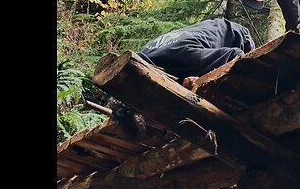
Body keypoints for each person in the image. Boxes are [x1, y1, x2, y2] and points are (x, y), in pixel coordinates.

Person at [109, 17, 256, 139]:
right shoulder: (149, 59)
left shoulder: (187, 56)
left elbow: (235, 55)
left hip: (238, 36)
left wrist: (202, 78)